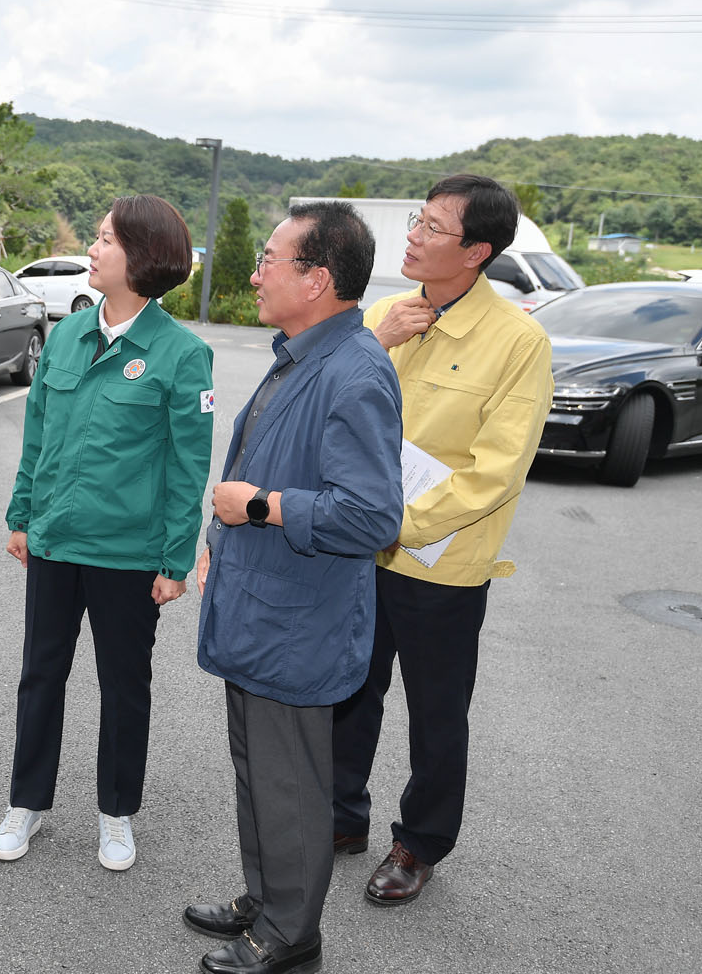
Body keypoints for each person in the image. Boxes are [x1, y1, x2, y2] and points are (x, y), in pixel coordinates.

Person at [184, 201, 402, 974]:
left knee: (290, 782)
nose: (254, 274)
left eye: (267, 260)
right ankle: (270, 896)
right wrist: (221, 541)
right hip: (262, 607)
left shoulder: (355, 371)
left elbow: (372, 515)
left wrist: (259, 508)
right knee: (258, 772)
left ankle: (292, 933)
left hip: (297, 621)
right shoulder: (302, 354)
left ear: (316, 279)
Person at [331, 175, 553, 906]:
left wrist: (397, 523)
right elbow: (329, 405)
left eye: (433, 228)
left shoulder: (517, 342)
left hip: (441, 561)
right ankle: (341, 814)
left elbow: (496, 471)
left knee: (436, 712)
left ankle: (419, 844)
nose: (414, 237)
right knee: (349, 688)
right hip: (361, 549)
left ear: (477, 251)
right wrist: (371, 341)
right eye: (417, 221)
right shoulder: (385, 314)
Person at [0, 195, 214, 871]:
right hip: (55, 543)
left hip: (128, 554)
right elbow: (37, 435)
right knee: (40, 676)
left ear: (142, 257)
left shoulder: (182, 354)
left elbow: (188, 467)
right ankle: (26, 803)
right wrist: (22, 516)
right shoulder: (67, 335)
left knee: (124, 686)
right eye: (96, 237)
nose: (92, 249)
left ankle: (116, 814)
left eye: (106, 240)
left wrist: (175, 560)